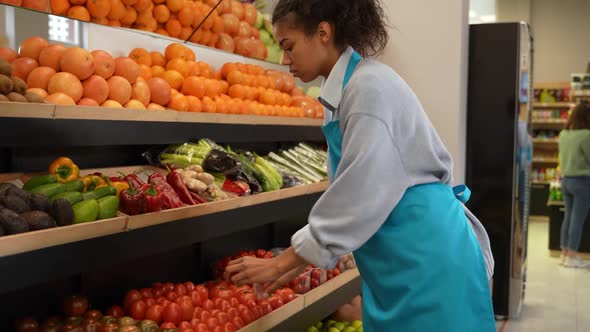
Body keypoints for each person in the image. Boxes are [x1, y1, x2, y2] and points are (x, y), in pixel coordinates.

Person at [225, 0, 496, 330]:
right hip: (398, 255)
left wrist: (281, 263)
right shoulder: (342, 91)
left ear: (323, 32)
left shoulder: (369, 89)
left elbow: (358, 196)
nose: (285, 60)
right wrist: (299, 262)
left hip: (425, 255)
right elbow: (351, 193)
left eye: (289, 46)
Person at [559, 102, 590, 268]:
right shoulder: (586, 135)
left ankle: (564, 254)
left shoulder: (564, 133)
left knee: (568, 217)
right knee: (577, 219)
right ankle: (572, 255)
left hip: (566, 180)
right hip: (582, 181)